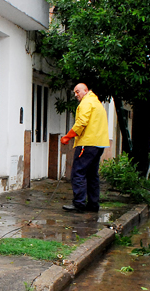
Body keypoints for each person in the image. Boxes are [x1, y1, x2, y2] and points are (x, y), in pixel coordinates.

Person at [60, 83, 109, 212]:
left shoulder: (86, 103)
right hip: (98, 144)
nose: (76, 95)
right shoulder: (97, 103)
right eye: (75, 92)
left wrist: (67, 137)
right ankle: (93, 204)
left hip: (87, 144)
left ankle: (79, 203)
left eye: (78, 92)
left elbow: (81, 122)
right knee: (92, 175)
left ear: (85, 90)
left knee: (78, 173)